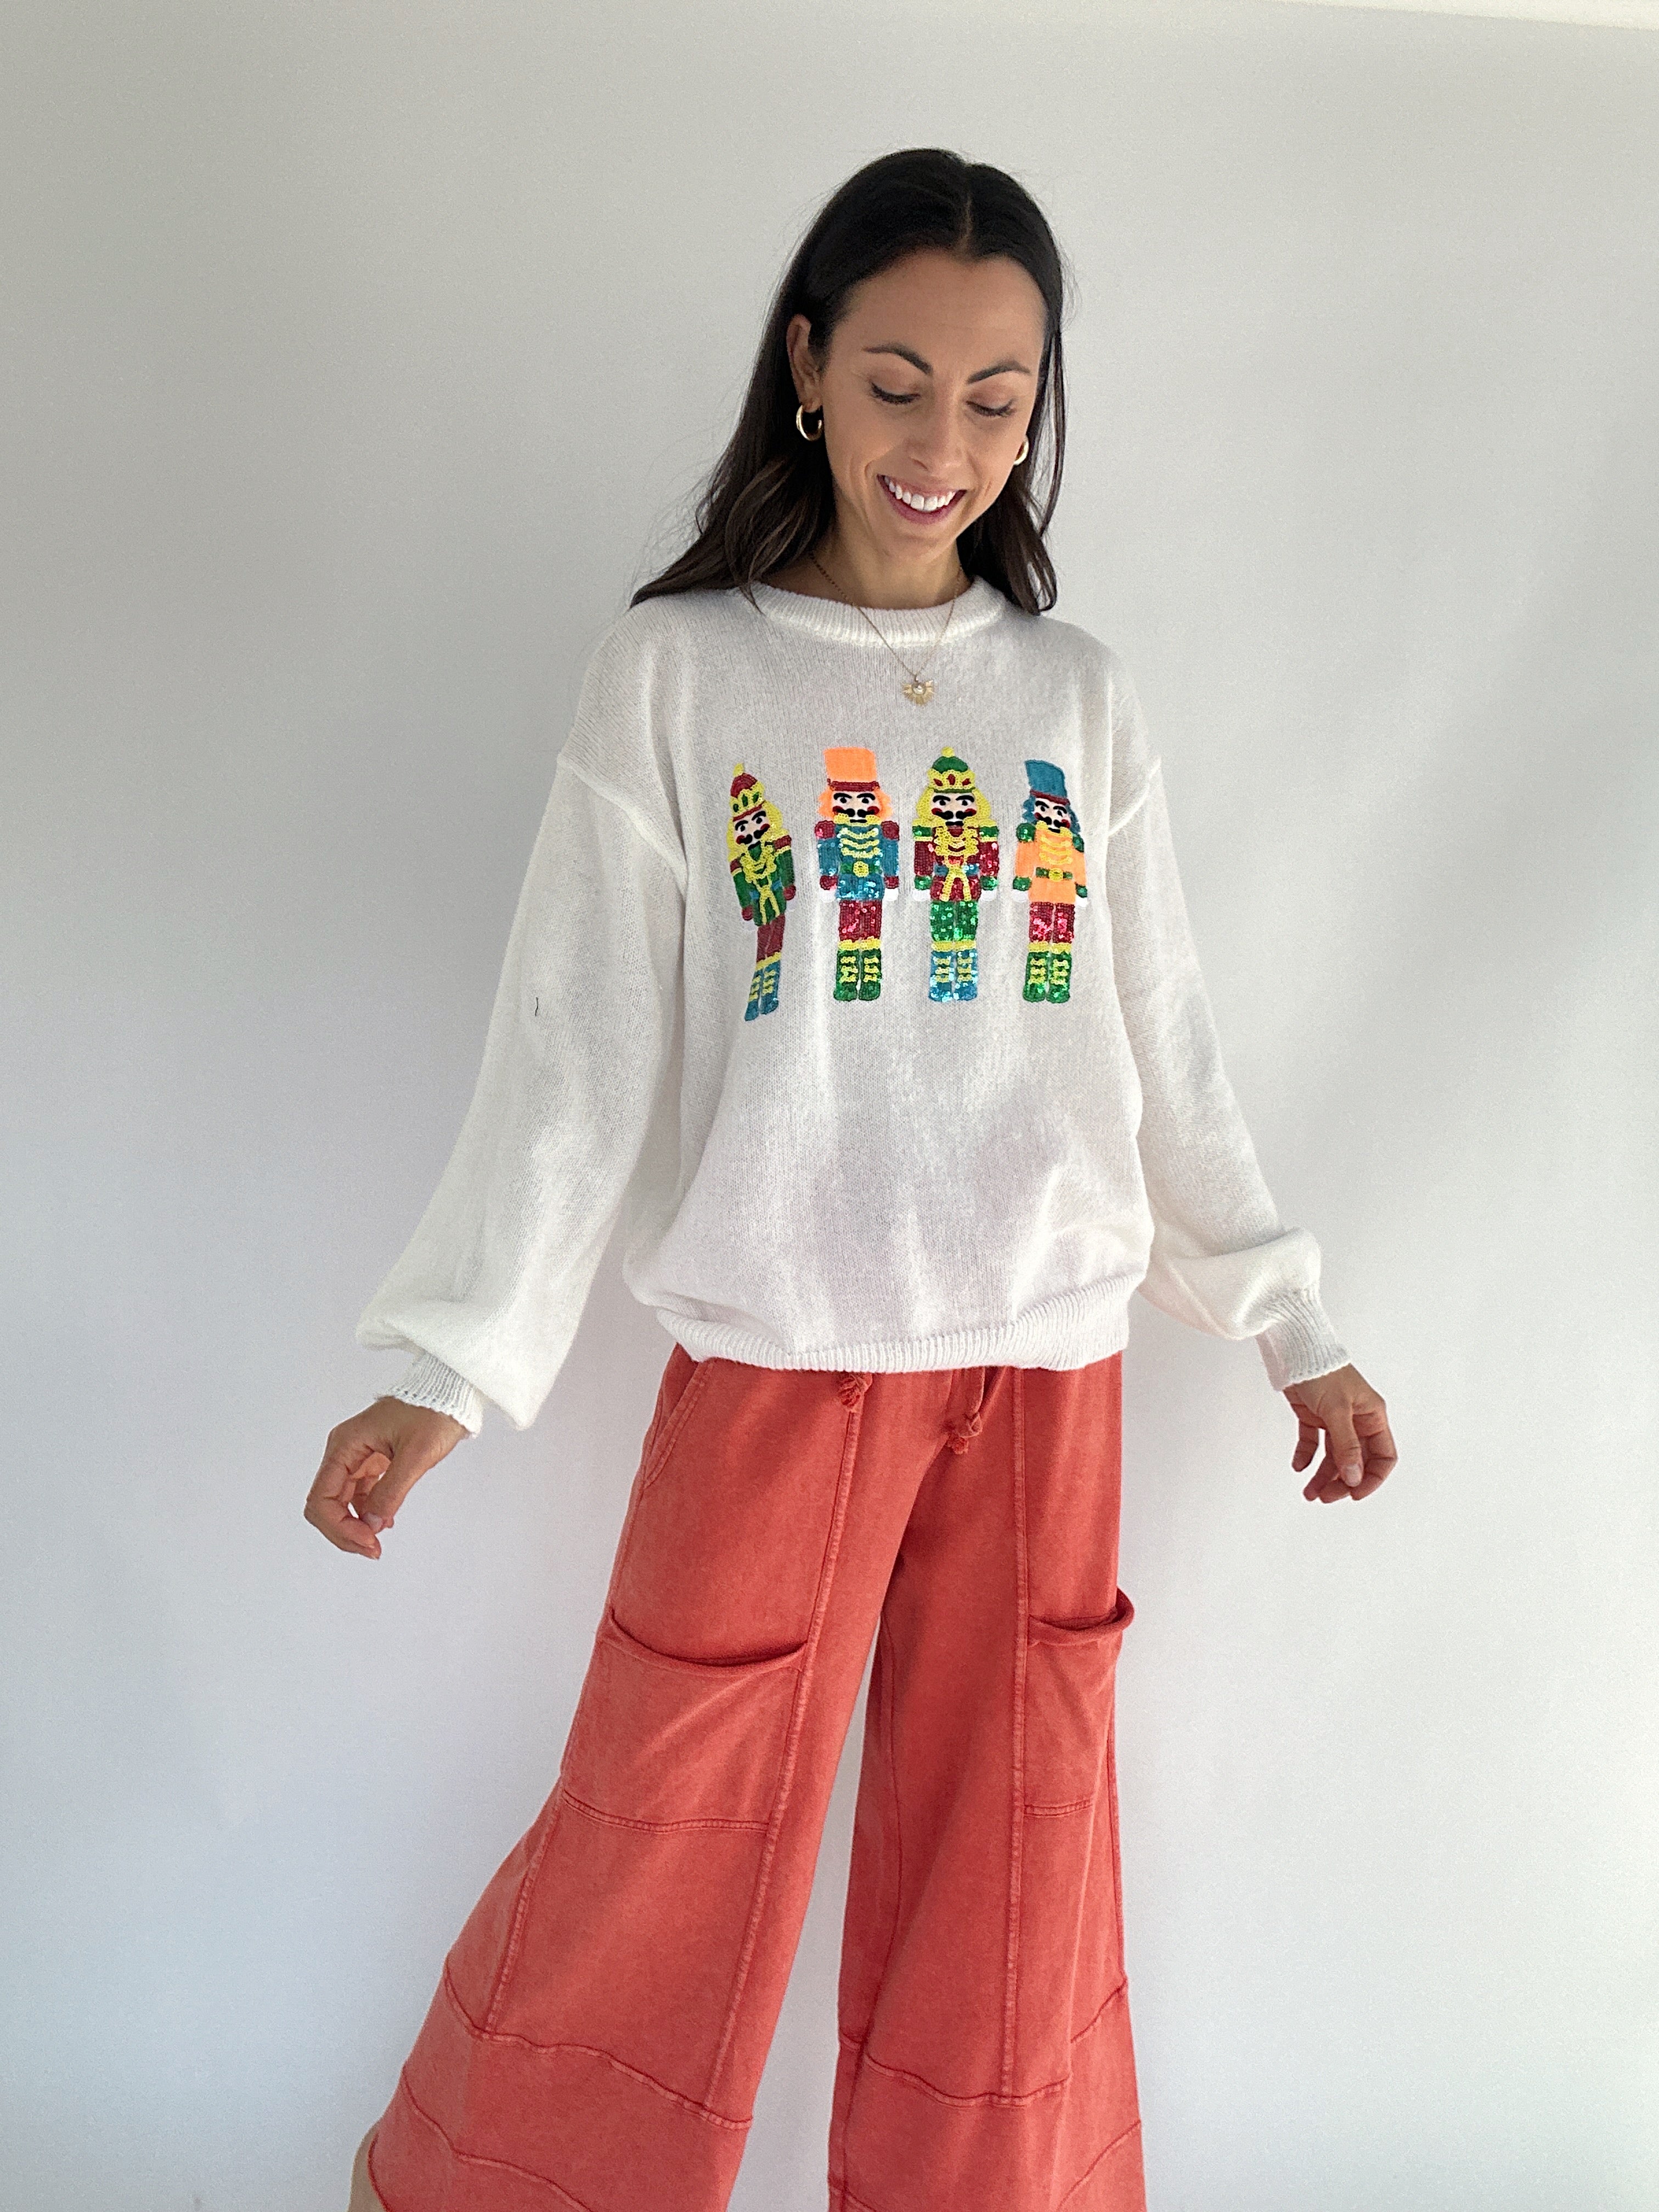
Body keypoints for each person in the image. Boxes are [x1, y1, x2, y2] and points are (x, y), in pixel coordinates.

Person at [309, 146, 1397, 2212]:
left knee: (1012, 1889)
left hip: (1047, 1374)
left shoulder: (1076, 699)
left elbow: (1161, 1040)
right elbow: (576, 1051)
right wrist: (444, 1367)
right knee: (659, 1845)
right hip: (781, 1355)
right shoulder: (680, 676)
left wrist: (1290, 1321)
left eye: (998, 398)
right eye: (899, 381)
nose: (945, 443)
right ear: (805, 364)